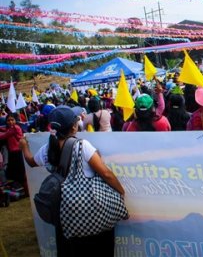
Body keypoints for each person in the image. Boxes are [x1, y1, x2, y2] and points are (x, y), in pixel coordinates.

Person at [19, 105, 125, 257]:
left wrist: (24, 147)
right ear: (74, 127)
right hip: (88, 208)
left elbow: (31, 161)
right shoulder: (83, 146)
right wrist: (121, 191)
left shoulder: (47, 149)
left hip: (64, 209)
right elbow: (106, 173)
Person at [0, 113, 25, 187]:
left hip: (17, 151)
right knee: (16, 169)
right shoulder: (12, 127)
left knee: (18, 169)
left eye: (12, 120)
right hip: (13, 151)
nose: (10, 122)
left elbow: (4, 135)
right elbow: (5, 130)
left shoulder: (15, 128)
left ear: (15, 120)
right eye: (8, 120)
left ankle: (21, 185)